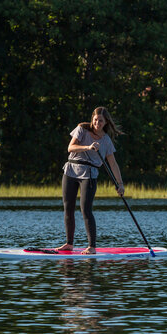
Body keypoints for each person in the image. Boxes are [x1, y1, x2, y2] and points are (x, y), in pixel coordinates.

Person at [56, 107, 125, 255]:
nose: (97, 123)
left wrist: (120, 184)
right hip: (71, 171)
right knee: (68, 207)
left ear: (106, 122)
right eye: (95, 120)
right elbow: (70, 147)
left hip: (89, 174)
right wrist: (88, 147)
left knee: (85, 209)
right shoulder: (81, 129)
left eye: (100, 121)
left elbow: (113, 164)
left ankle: (92, 246)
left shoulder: (106, 140)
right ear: (92, 119)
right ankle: (69, 244)